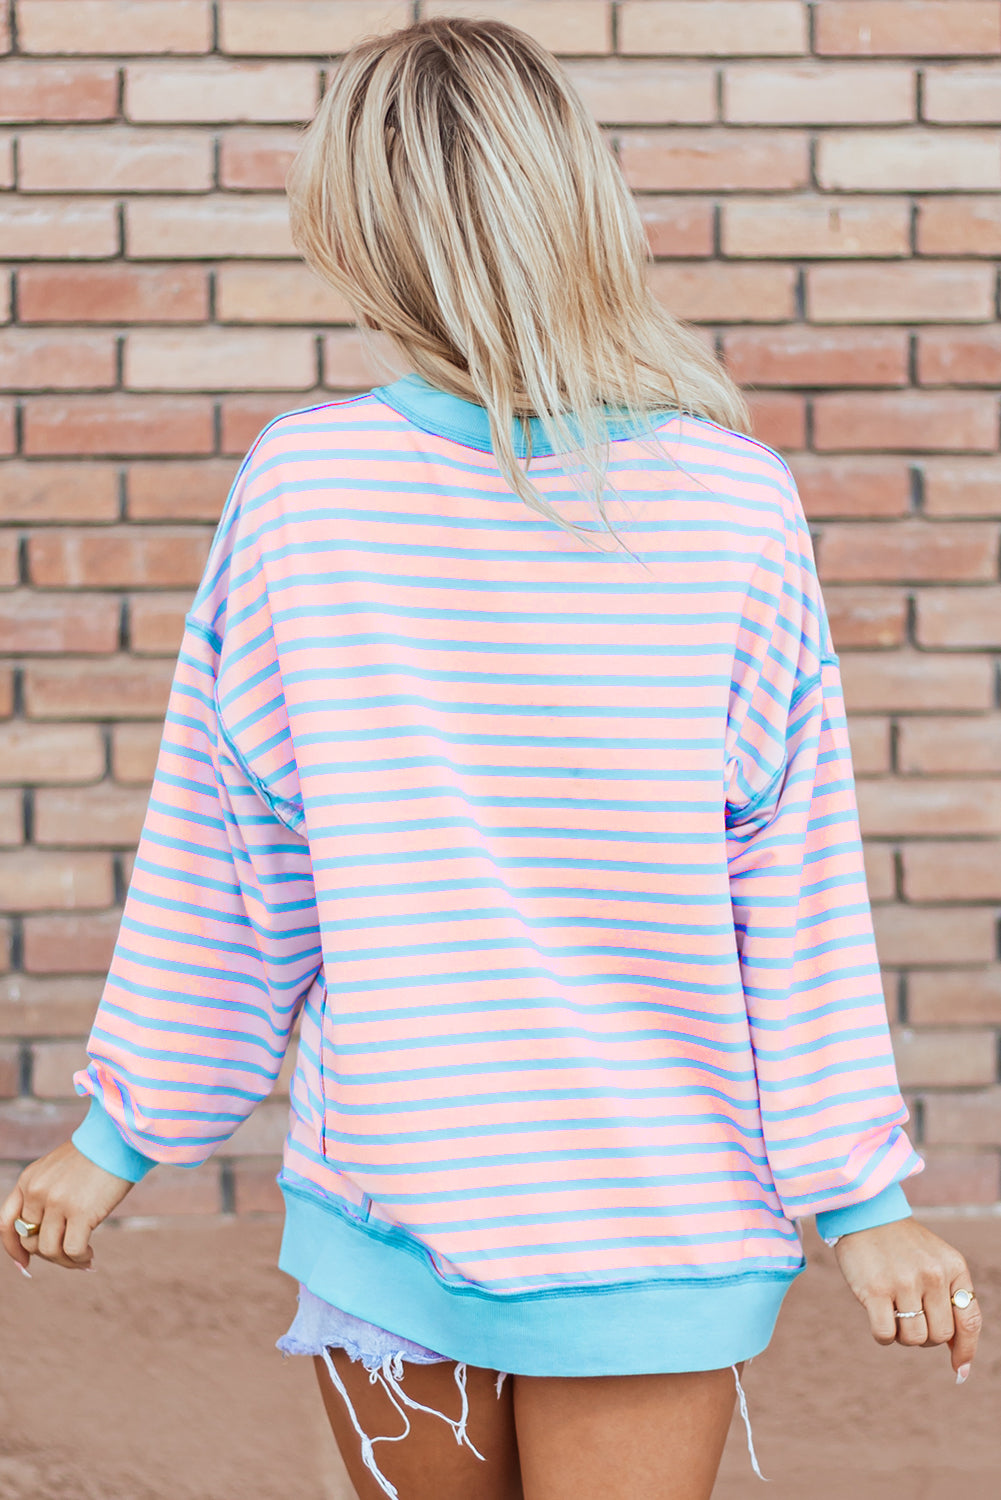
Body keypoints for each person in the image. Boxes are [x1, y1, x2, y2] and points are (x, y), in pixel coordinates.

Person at [0, 15, 983, 1500]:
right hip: (635, 1211)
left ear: (357, 232)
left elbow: (233, 859)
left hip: (453, 1196)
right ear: (577, 205)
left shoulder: (307, 487)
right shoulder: (734, 498)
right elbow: (791, 889)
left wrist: (118, 1133)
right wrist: (861, 1202)